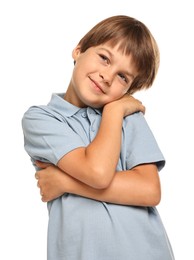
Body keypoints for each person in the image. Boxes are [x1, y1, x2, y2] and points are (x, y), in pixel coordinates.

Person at [22, 15, 175, 260]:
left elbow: (149, 190)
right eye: (104, 58)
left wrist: (67, 183)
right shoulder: (42, 119)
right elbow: (97, 171)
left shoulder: (128, 117)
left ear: (128, 91)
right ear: (79, 49)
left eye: (123, 77)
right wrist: (115, 113)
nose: (107, 76)